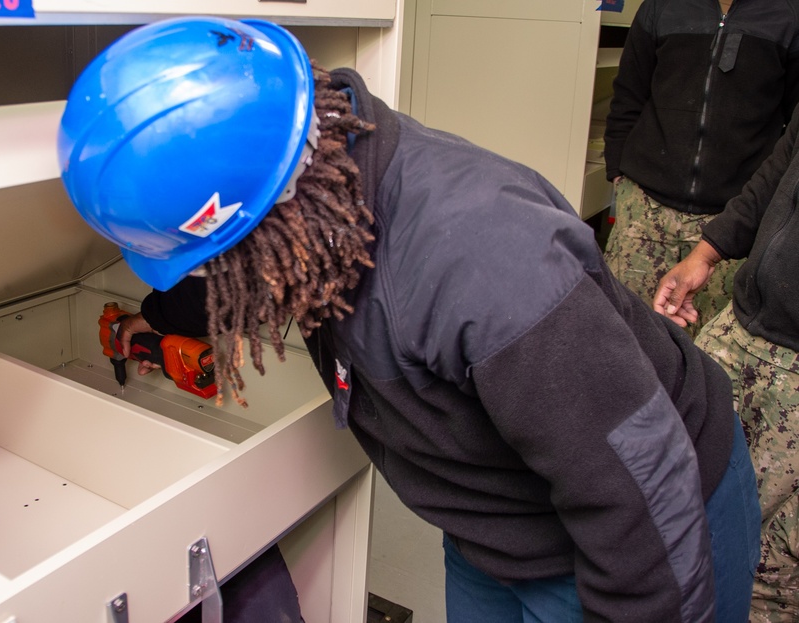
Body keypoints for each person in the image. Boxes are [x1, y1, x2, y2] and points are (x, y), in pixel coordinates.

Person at [58, 16, 760, 622]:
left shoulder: (490, 265)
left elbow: (640, 488)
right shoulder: (313, 180)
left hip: (640, 528)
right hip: (493, 523)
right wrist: (151, 319)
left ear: (258, 223)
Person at [654, 101, 799, 622]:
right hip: (740, 328)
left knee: (767, 568)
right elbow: (780, 170)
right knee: (667, 502)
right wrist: (707, 252)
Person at [603, 0, 799, 337]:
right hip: (645, 210)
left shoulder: (789, 15)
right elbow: (628, 94)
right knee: (622, 332)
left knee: (703, 351)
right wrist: (618, 173)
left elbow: (792, 124)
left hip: (730, 222)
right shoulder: (661, 7)